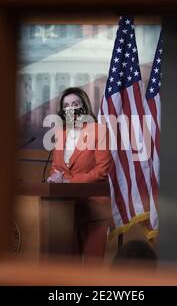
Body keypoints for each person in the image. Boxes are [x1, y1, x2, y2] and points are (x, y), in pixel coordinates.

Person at [46, 87, 113, 264]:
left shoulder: (99, 131)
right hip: (65, 211)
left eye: (75, 104)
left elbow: (101, 170)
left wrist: (68, 181)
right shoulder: (60, 134)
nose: (71, 109)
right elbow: (56, 167)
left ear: (84, 106)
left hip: (94, 209)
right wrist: (55, 178)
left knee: (92, 269)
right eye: (66, 105)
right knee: (68, 268)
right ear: (62, 110)